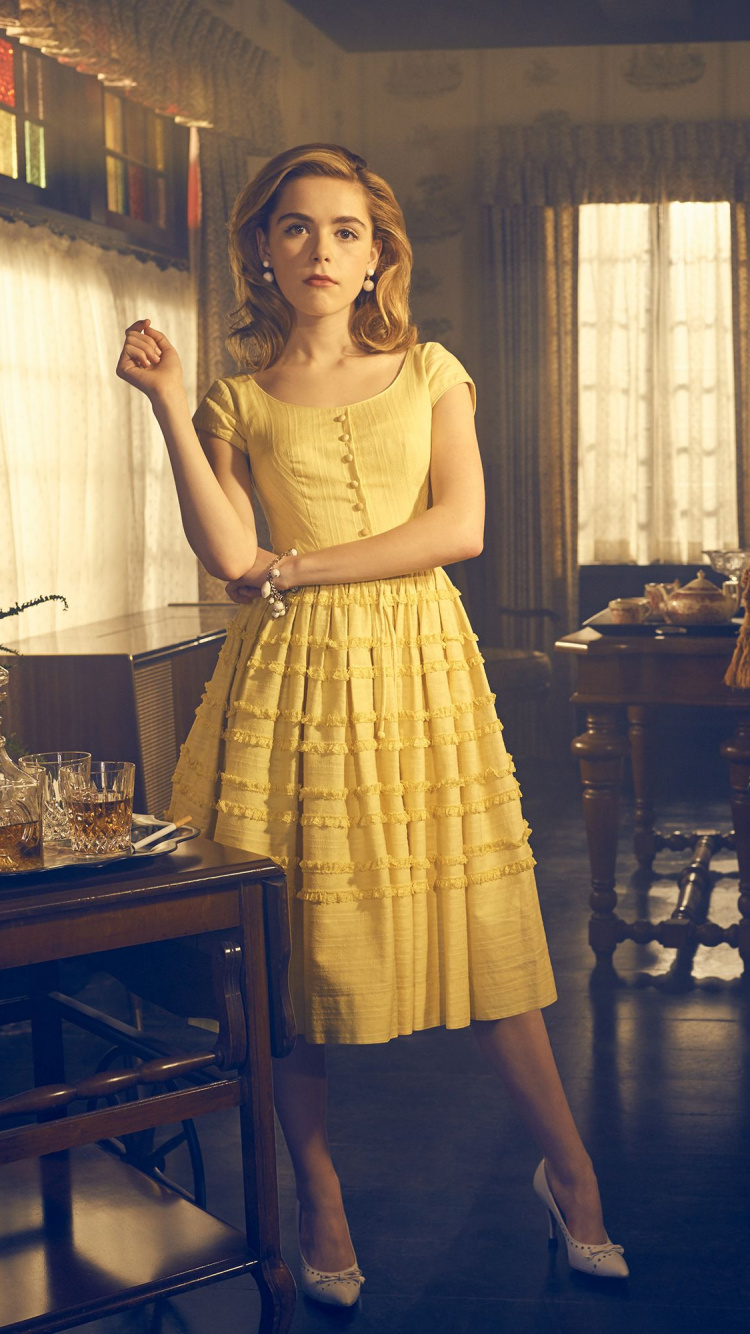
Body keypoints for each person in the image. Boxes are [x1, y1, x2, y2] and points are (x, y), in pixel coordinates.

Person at [116, 142, 628, 1306]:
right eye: (296, 227)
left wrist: (296, 566)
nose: (320, 249)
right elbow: (231, 557)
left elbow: (461, 527)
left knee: (488, 933)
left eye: (345, 229)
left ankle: (573, 1174)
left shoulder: (430, 368)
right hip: (287, 688)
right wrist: (166, 405)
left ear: (378, 252)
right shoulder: (235, 396)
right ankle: (320, 1195)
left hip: (420, 679)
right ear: (261, 248)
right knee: (287, 955)